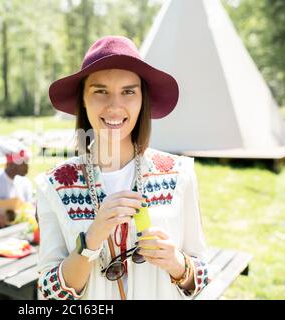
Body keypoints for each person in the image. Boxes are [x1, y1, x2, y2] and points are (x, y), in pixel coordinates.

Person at [35, 35, 210, 300]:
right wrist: (91, 240)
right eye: (100, 91)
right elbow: (49, 293)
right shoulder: (55, 185)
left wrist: (177, 263)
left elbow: (200, 278)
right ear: (82, 99)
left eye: (128, 91)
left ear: (143, 101)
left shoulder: (178, 173)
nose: (115, 106)